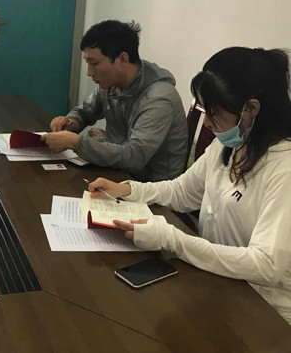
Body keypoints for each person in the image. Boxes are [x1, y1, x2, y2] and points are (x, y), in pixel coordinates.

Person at [88, 47, 291, 324]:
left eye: (213, 113)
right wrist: (129, 190)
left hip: (265, 311)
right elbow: (182, 192)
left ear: (251, 109)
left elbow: (265, 265)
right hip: (217, 281)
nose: (206, 123)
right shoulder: (230, 145)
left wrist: (173, 239)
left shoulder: (284, 168)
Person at [42, 20, 187, 182]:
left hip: (150, 187)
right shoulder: (110, 85)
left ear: (123, 59)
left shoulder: (159, 99)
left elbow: (134, 157)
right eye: (87, 63)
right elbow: (84, 112)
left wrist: (76, 143)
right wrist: (69, 123)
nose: (89, 72)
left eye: (94, 63)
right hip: (116, 172)